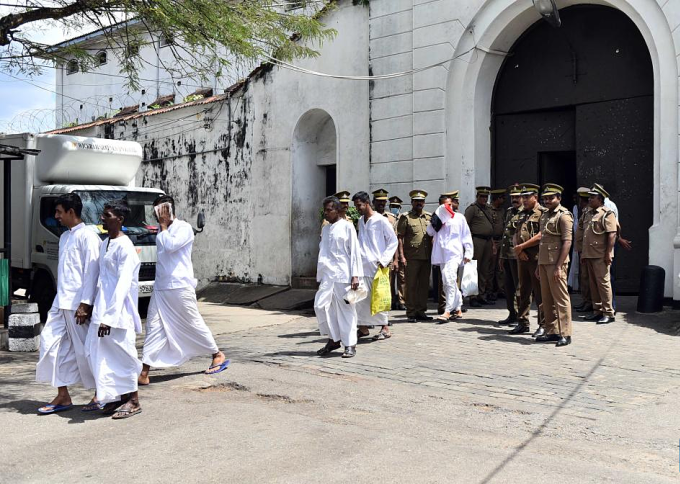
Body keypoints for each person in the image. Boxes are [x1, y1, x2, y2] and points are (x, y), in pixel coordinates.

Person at [139, 195, 229, 386]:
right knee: (153, 327)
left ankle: (217, 354)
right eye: (156, 212)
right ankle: (144, 372)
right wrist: (162, 228)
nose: (158, 216)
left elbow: (171, 246)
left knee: (192, 322)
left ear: (169, 210)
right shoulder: (161, 231)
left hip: (180, 286)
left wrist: (163, 227)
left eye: (161, 211)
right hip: (161, 288)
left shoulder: (184, 228)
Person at [36, 193, 101, 414]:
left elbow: (92, 272)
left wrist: (86, 303)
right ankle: (63, 395)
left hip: (78, 305)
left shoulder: (88, 237)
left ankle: (101, 392)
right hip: (60, 301)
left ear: (71, 212)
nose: (56, 217)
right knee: (49, 343)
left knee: (86, 350)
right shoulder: (64, 238)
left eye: (59, 212)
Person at [87, 200, 143, 419]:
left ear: (119, 219)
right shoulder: (105, 243)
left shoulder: (126, 247)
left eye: (107, 215)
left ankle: (134, 400)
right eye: (103, 214)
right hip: (103, 308)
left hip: (119, 312)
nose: (102, 218)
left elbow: (122, 285)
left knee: (123, 354)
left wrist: (109, 317)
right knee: (102, 354)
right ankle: (118, 397)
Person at [315, 196, 363, 358]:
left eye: (330, 210)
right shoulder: (325, 229)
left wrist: (355, 276)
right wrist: (320, 274)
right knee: (321, 306)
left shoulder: (347, 227)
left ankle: (350, 344)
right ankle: (334, 339)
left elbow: (355, 252)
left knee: (346, 311)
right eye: (325, 210)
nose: (326, 213)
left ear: (338, 210)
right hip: (328, 276)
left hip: (344, 275)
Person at [354, 191, 398, 340]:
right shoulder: (361, 220)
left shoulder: (381, 220)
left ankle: (385, 328)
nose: (357, 208)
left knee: (379, 296)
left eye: (359, 205)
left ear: (367, 203)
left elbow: (393, 241)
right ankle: (363, 328)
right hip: (362, 265)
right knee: (361, 298)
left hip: (377, 265)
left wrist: (384, 259)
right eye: (356, 206)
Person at [535, 184, 574, 347]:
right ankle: (552, 330)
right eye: (545, 198)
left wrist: (559, 266)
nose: (547, 201)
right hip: (544, 261)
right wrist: (538, 264)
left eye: (551, 198)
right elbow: (543, 240)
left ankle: (565, 333)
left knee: (561, 299)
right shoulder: (544, 215)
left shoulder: (564, 216)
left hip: (556, 263)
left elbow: (567, 242)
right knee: (547, 299)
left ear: (559, 198)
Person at [427, 191, 473, 323]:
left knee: (449, 278)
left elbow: (466, 236)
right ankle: (458, 309)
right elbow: (429, 232)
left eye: (449, 204)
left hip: (455, 253)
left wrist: (468, 252)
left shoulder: (459, 218)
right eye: (444, 205)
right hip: (441, 254)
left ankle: (448, 310)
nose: (448, 207)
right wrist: (437, 220)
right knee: (449, 282)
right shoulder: (438, 219)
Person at [576, 183, 617, 324]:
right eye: (589, 197)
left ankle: (608, 313)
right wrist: (581, 252)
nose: (589, 200)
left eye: (592, 197)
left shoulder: (607, 214)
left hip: (600, 255)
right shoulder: (587, 212)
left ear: (600, 199)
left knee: (603, 284)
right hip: (588, 254)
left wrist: (608, 253)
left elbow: (612, 234)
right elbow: (581, 230)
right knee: (592, 284)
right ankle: (597, 310)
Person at [509, 184, 546, 337]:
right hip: (522, 257)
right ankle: (522, 322)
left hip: (536, 258)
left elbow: (541, 235)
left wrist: (522, 247)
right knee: (523, 291)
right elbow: (514, 233)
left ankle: (543, 324)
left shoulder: (542, 213)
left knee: (539, 293)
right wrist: (519, 250)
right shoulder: (522, 214)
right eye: (522, 197)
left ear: (535, 197)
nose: (523, 200)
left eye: (526, 197)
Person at [397, 190, 433, 322]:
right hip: (411, 257)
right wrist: (401, 256)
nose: (419, 203)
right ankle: (411, 312)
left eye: (421, 201)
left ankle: (421, 311)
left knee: (424, 286)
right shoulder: (406, 217)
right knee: (411, 285)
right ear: (412, 202)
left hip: (426, 256)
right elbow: (400, 237)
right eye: (416, 201)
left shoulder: (429, 217)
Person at [464, 186, 494, 307]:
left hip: (487, 241)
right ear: (477, 197)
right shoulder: (472, 209)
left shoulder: (489, 208)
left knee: (484, 269)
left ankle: (482, 294)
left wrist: (492, 243)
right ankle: (473, 296)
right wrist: (468, 243)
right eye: (482, 196)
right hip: (476, 240)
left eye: (486, 197)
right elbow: (465, 226)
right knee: (473, 268)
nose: (484, 199)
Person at [497, 184, 522, 326]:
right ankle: (511, 314)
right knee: (508, 286)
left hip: (517, 255)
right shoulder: (509, 211)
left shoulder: (524, 212)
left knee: (519, 287)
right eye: (512, 197)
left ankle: (520, 316)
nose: (515, 200)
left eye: (517, 197)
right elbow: (505, 235)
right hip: (507, 254)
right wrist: (501, 255)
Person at [572, 189, 593, 312]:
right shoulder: (584, 213)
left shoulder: (594, 213)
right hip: (582, 250)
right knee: (583, 277)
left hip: (591, 251)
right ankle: (586, 301)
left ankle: (593, 304)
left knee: (589, 278)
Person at [489, 189, 507, 301]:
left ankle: (501, 289)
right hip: (492, 241)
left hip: (501, 240)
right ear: (497, 198)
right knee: (490, 267)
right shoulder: (488, 210)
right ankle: (489, 290)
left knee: (501, 267)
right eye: (502, 198)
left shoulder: (502, 211)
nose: (504, 200)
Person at [388, 195, 406, 310]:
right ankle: (391, 300)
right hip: (391, 253)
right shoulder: (388, 218)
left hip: (403, 252)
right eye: (393, 206)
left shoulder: (403, 218)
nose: (395, 208)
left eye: (397, 206)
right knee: (390, 279)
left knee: (402, 278)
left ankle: (402, 301)